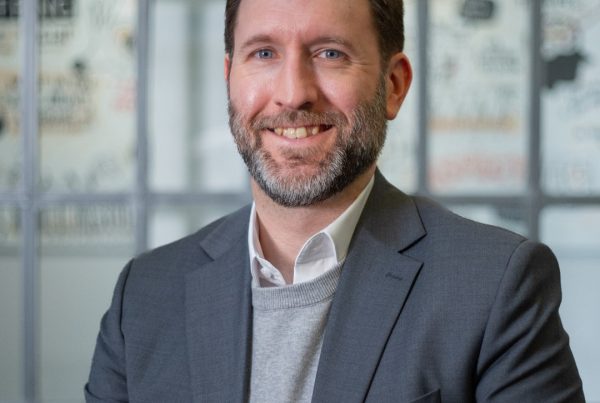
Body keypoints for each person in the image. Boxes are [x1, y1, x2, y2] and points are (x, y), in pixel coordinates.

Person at [85, 0, 585, 401]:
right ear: (230, 77)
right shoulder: (144, 296)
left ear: (394, 85)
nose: (293, 93)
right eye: (263, 54)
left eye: (330, 54)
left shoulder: (495, 287)